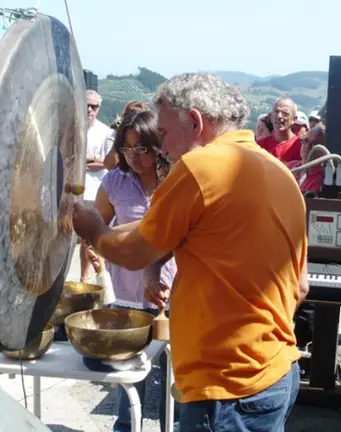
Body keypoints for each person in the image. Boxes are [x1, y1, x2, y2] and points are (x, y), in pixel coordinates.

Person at [71, 72, 308, 431]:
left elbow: (135, 252)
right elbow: (300, 285)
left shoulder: (200, 168)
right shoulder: (278, 172)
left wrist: (95, 231)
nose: (163, 149)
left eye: (163, 134)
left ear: (195, 122)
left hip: (228, 386)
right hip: (277, 370)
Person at [93, 110, 177, 432]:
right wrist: (99, 247)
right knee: (128, 383)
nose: (135, 156)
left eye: (142, 148)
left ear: (159, 145)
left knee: (176, 382)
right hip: (127, 296)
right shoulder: (115, 181)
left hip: (173, 294)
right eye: (128, 148)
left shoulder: (175, 181)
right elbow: (97, 229)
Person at [80, 90, 115, 282]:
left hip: (96, 191)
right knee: (75, 239)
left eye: (94, 106)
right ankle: (83, 277)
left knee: (94, 238)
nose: (90, 110)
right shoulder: (70, 128)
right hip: (72, 191)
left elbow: (109, 162)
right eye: (87, 105)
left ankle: (98, 276)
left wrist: (82, 160)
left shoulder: (106, 132)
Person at [257, 97, 303, 164]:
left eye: (285, 113)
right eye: (276, 112)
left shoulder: (301, 148)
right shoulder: (260, 146)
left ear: (294, 119)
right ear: (271, 116)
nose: (279, 116)